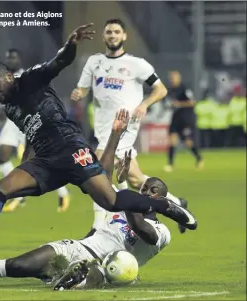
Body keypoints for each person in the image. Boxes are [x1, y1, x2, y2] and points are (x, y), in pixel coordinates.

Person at [0, 23, 197, 259]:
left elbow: (59, 62)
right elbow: (32, 134)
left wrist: (70, 45)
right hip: (44, 161)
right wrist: (24, 167)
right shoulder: (11, 108)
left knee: (111, 201)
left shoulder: (29, 80)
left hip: (70, 148)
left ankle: (165, 206)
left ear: (9, 76)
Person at [0, 110, 172, 290]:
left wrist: (130, 198)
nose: (147, 193)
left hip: (107, 267)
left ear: (161, 199)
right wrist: (115, 135)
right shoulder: (123, 203)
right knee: (16, 265)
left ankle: (71, 280)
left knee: (93, 273)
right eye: (145, 188)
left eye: (153, 191)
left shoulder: (162, 231)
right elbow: (101, 174)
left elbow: (142, 229)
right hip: (78, 247)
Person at [71, 19, 188, 231]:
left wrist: (144, 104)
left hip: (125, 126)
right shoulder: (94, 62)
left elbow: (160, 90)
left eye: (117, 32)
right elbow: (84, 88)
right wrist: (79, 93)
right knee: (135, 178)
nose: (112, 35)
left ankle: (98, 226)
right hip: (103, 127)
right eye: (109, 32)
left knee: (96, 171)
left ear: (124, 36)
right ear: (104, 36)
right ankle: (176, 204)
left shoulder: (137, 64)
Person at [0, 49, 70, 213]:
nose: (10, 61)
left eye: (13, 58)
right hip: (11, 123)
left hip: (26, 121)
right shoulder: (3, 79)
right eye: (8, 58)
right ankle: (18, 195)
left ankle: (63, 192)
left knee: (37, 161)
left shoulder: (25, 76)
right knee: (2, 157)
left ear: (19, 60)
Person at [164, 71, 204, 172]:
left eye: (174, 78)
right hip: (175, 118)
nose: (172, 80)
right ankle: (170, 164)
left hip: (186, 119)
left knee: (188, 143)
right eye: (171, 78)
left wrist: (179, 104)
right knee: (172, 140)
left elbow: (192, 102)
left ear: (179, 78)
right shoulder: (170, 90)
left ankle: (199, 159)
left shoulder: (184, 89)